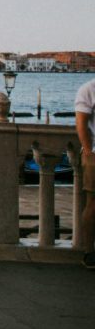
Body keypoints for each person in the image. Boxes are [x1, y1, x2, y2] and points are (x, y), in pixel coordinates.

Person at [76, 77, 95, 269]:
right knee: (92, 203)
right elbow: (81, 123)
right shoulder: (88, 88)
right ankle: (89, 251)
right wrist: (89, 152)